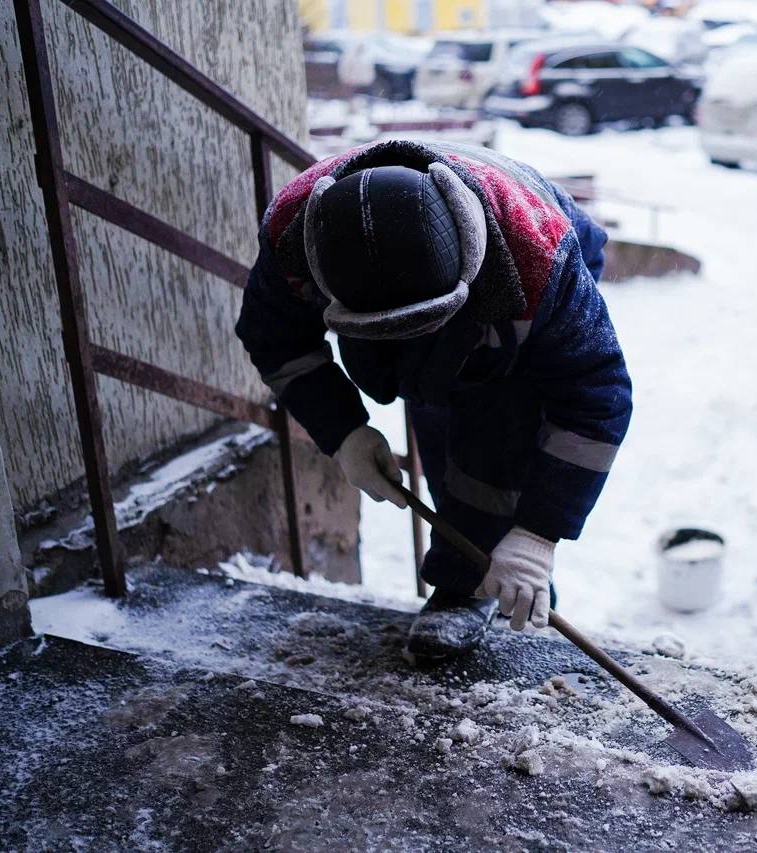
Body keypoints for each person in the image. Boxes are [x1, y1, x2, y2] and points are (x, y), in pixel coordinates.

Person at [236, 141, 631, 661]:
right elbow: (275, 339)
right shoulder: (293, 237)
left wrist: (540, 534)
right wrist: (345, 433)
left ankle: (473, 584)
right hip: (445, 293)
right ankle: (488, 567)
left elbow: (596, 394)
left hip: (520, 274)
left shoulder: (540, 260)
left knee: (499, 424)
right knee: (442, 427)